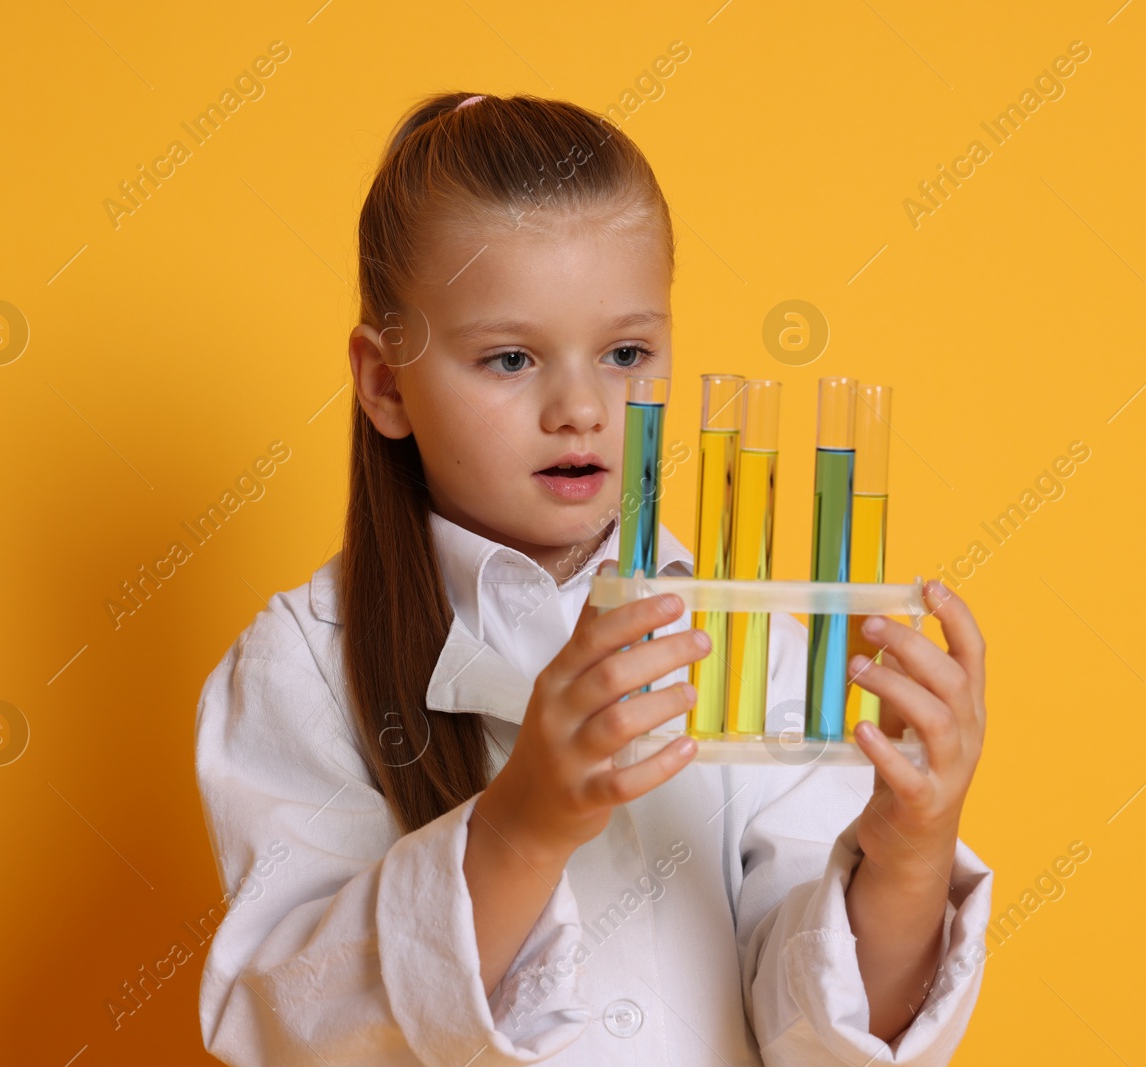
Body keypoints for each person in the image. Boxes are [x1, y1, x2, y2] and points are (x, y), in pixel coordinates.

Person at [194, 90, 992, 1066]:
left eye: (624, 352)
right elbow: (294, 1024)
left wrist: (909, 852)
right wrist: (522, 826)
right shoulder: (303, 667)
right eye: (510, 356)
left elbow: (816, 1031)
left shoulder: (750, 655)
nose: (579, 406)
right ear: (385, 382)